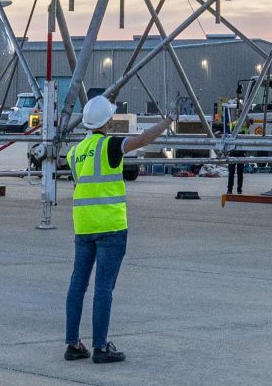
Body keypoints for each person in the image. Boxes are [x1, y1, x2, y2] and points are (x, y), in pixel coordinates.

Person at [64, 95, 172, 365]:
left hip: (84, 225)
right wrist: (166, 122)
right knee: (103, 288)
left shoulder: (75, 152)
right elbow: (143, 140)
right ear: (107, 121)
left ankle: (73, 344)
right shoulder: (110, 145)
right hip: (111, 226)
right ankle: (100, 347)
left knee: (78, 284)